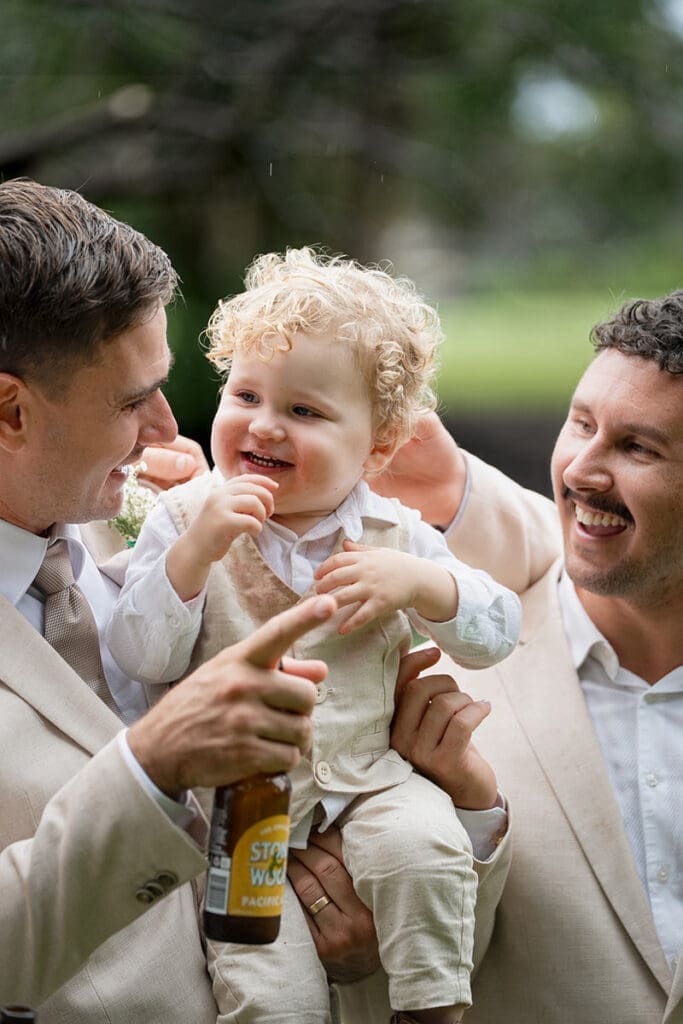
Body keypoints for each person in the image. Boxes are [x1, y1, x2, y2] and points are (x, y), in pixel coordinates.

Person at [106, 247, 521, 1024]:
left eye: (304, 412)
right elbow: (142, 656)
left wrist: (425, 585)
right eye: (246, 394)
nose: (263, 425)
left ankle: (432, 1011)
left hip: (372, 783)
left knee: (424, 856)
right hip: (239, 811)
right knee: (267, 985)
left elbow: (495, 632)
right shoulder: (184, 518)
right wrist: (193, 557)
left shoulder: (392, 531)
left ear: (379, 447)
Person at [0, 178, 346, 1019]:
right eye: (130, 400)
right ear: (10, 409)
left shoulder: (152, 521)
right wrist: (150, 765)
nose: (165, 428)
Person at [306, 291, 683, 1023]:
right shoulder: (424, 678)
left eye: (637, 447)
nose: (580, 471)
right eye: (579, 425)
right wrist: (367, 953)